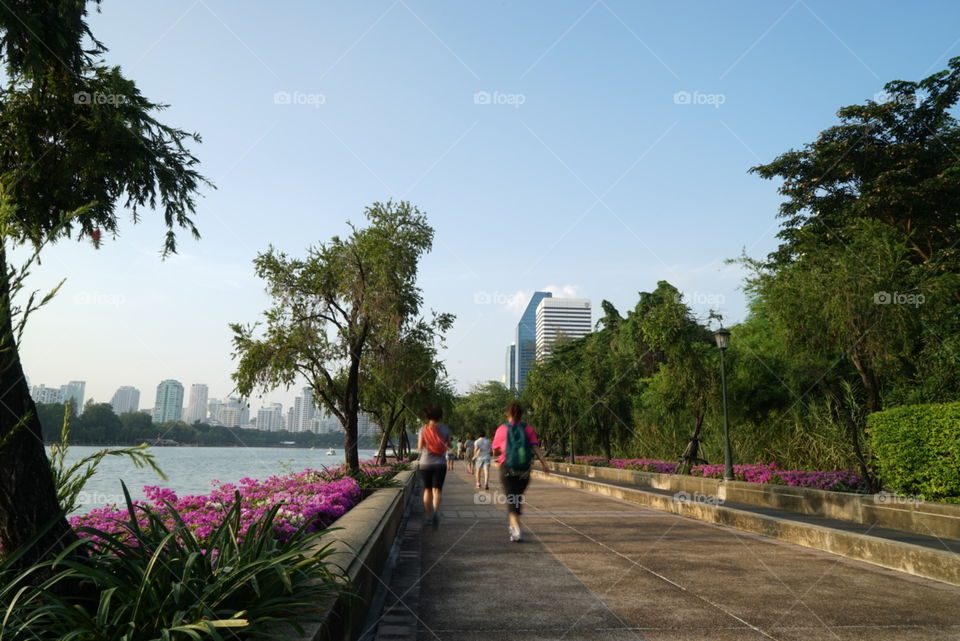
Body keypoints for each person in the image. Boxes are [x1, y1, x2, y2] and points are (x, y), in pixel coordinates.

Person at [492, 402, 550, 542]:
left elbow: (495, 450)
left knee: (511, 499)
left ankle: (516, 528)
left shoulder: (502, 429)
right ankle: (514, 522)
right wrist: (544, 464)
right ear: (521, 414)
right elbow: (536, 448)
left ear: (508, 414)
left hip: (507, 468)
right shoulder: (528, 429)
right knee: (517, 496)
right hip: (524, 470)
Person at [417, 405, 452, 526]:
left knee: (427, 490)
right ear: (440, 416)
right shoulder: (446, 429)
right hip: (440, 464)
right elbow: (448, 446)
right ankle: (436, 511)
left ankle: (428, 516)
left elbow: (420, 447)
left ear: (427, 416)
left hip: (425, 464)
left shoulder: (423, 429)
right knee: (437, 490)